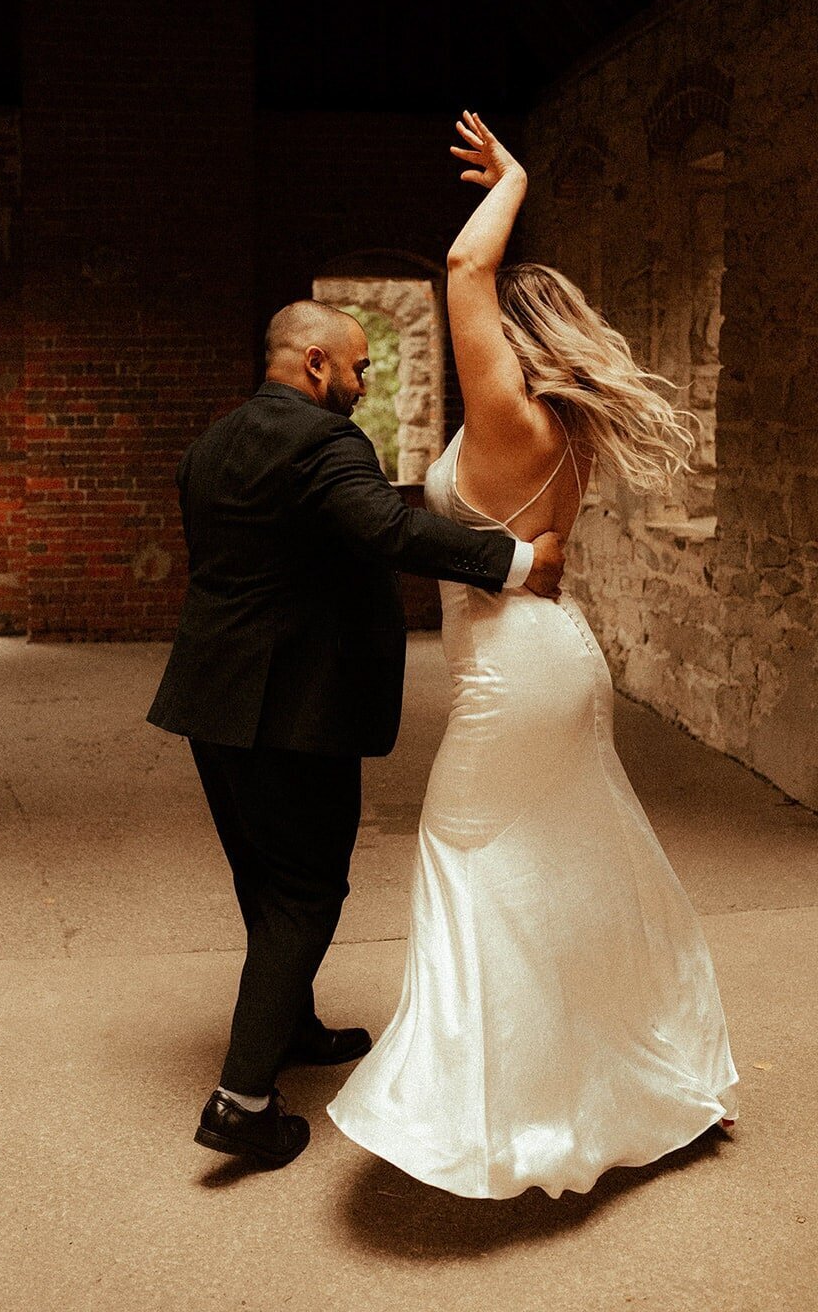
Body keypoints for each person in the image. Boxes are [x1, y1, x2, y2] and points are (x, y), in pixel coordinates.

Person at [328, 111, 738, 1199]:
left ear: (510, 338)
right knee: (569, 862)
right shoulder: (565, 430)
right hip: (554, 653)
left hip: (515, 670)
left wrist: (511, 178)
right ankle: (614, 1072)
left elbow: (466, 259)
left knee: (467, 859)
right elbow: (518, 549)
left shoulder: (508, 414)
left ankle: (495, 1112)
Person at [146, 299, 567, 1167]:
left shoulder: (212, 444)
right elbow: (386, 529)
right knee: (306, 894)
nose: (365, 382)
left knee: (266, 881)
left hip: (211, 701)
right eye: (359, 367)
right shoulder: (325, 443)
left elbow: (249, 562)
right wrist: (519, 564)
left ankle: (289, 1026)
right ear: (313, 364)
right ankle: (241, 1102)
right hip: (292, 712)